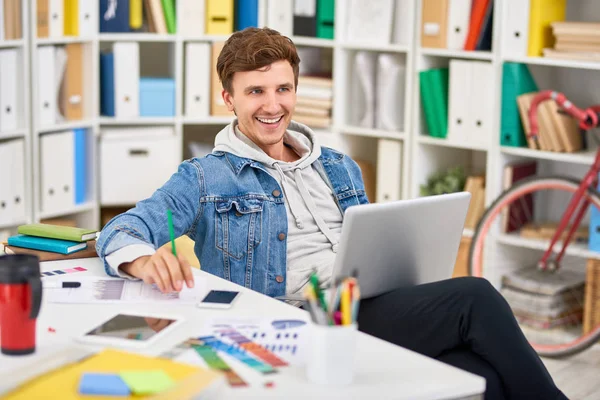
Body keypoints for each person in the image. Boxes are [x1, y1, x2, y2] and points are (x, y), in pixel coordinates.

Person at [96, 27, 567, 400]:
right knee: (476, 297)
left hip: (358, 309)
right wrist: (140, 259)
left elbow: (369, 248)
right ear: (229, 98)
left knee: (479, 370)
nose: (272, 105)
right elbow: (123, 228)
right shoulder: (205, 177)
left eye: (283, 88)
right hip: (289, 322)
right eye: (255, 91)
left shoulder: (339, 166)